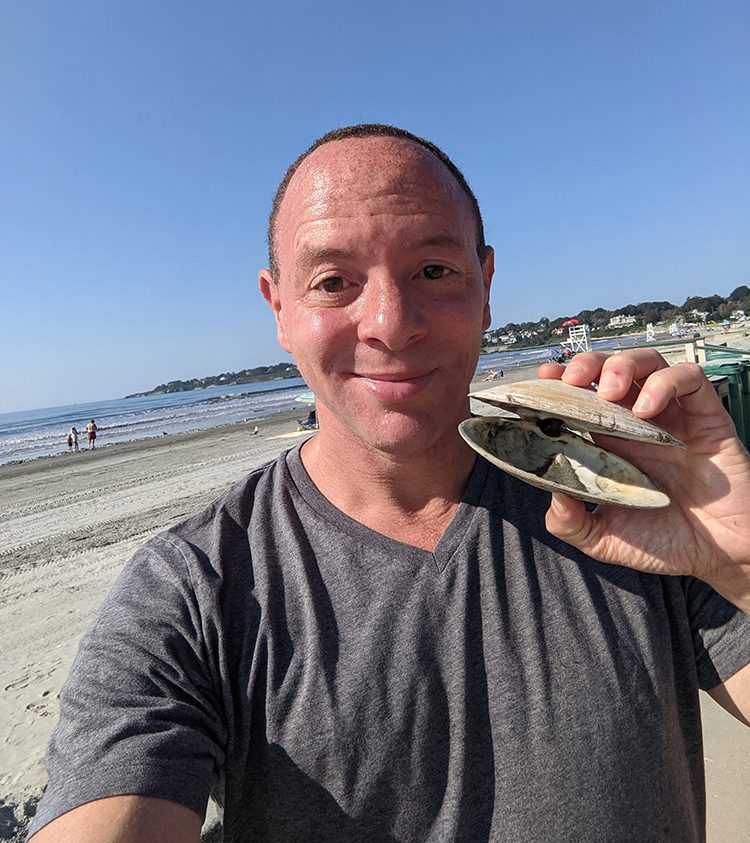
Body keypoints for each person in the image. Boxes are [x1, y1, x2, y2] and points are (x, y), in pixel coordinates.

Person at [29, 125, 750, 841]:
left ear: (485, 285)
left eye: (433, 270)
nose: (391, 324)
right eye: (333, 282)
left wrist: (739, 558)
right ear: (279, 309)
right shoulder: (196, 590)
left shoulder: (624, 502)